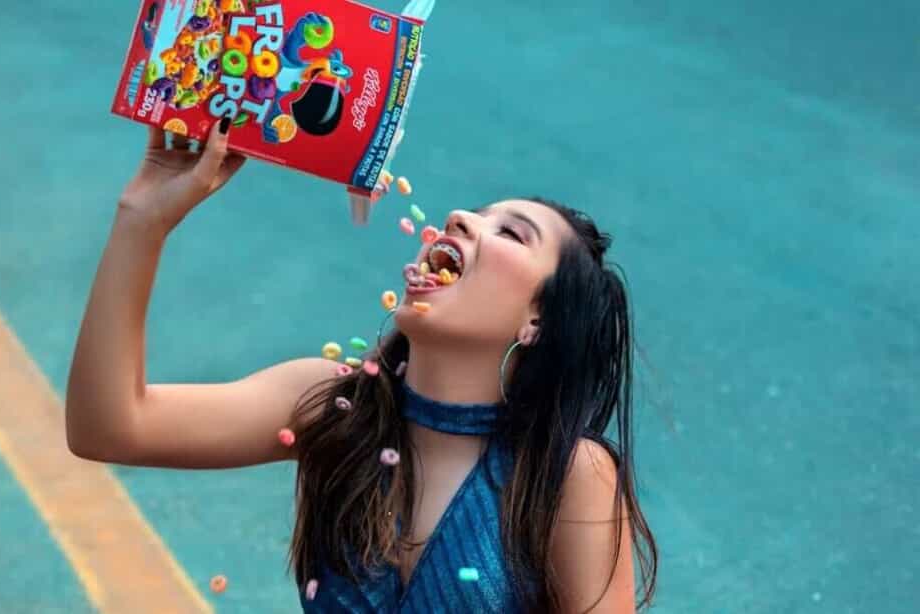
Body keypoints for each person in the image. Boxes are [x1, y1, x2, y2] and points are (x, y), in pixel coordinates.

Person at [66, 119, 658, 613]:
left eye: (511, 233)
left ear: (536, 322)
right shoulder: (332, 405)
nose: (459, 217)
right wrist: (142, 218)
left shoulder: (569, 474)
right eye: (475, 213)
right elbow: (109, 427)